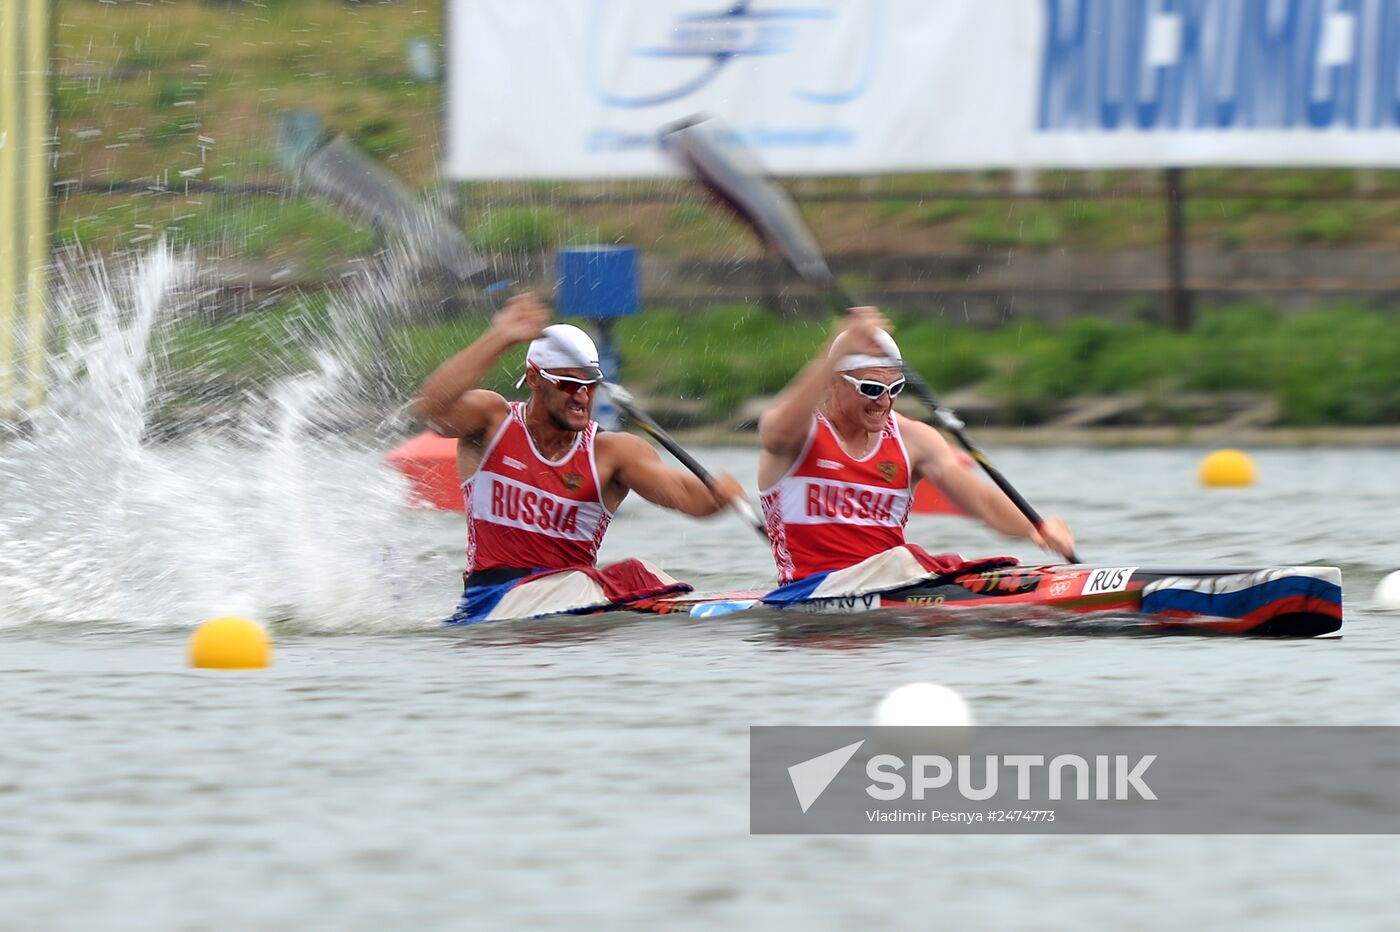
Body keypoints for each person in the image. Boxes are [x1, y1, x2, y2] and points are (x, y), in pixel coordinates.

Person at [413, 292, 747, 619]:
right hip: (492, 602)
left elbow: (688, 498)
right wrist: (500, 337)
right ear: (533, 378)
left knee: (637, 571)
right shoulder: (491, 422)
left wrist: (719, 495)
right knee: (606, 579)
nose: (582, 397)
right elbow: (431, 409)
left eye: (590, 385)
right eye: (569, 384)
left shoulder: (613, 452)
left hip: (570, 614)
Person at [757, 307, 1076, 585]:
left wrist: (1036, 527)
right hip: (811, 592)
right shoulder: (798, 435)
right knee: (908, 560)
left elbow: (984, 503)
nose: (884, 401)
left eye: (894, 387)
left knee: (971, 565)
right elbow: (775, 432)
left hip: (894, 589)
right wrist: (833, 351)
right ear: (833, 382)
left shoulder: (914, 440)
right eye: (870, 388)